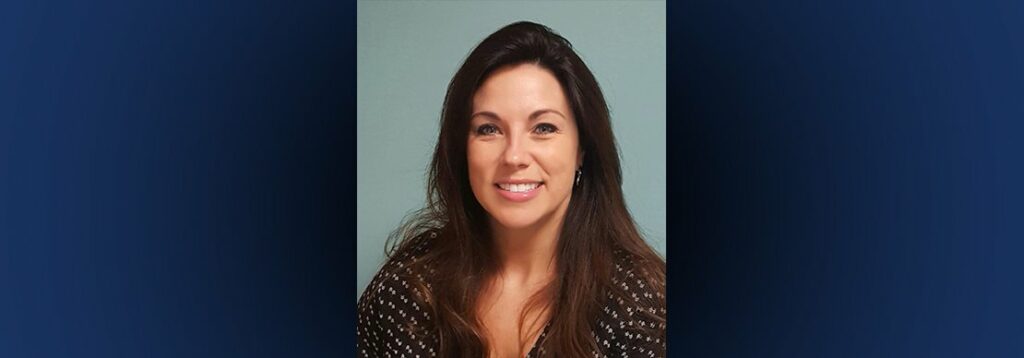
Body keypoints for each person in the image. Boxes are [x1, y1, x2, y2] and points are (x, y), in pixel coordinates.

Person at [357, 21, 666, 357]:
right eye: (488, 129)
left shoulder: (640, 306)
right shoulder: (409, 286)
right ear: (462, 148)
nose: (514, 156)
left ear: (582, 150)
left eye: (543, 128)